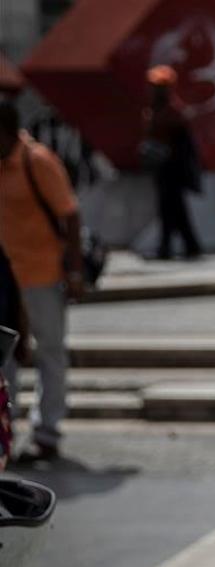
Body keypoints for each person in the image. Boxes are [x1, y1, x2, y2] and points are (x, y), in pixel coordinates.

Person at [0, 100, 85, 462]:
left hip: (42, 274)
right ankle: (5, 432)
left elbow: (70, 214)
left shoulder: (38, 161)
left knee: (50, 350)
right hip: (4, 279)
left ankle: (47, 431)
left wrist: (76, 271)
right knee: (4, 358)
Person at [143, 65, 203, 260]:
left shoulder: (173, 112)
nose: (154, 90)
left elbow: (183, 146)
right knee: (173, 210)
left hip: (172, 170)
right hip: (162, 168)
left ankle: (168, 247)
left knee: (171, 209)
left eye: (159, 86)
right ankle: (187, 245)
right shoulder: (156, 110)